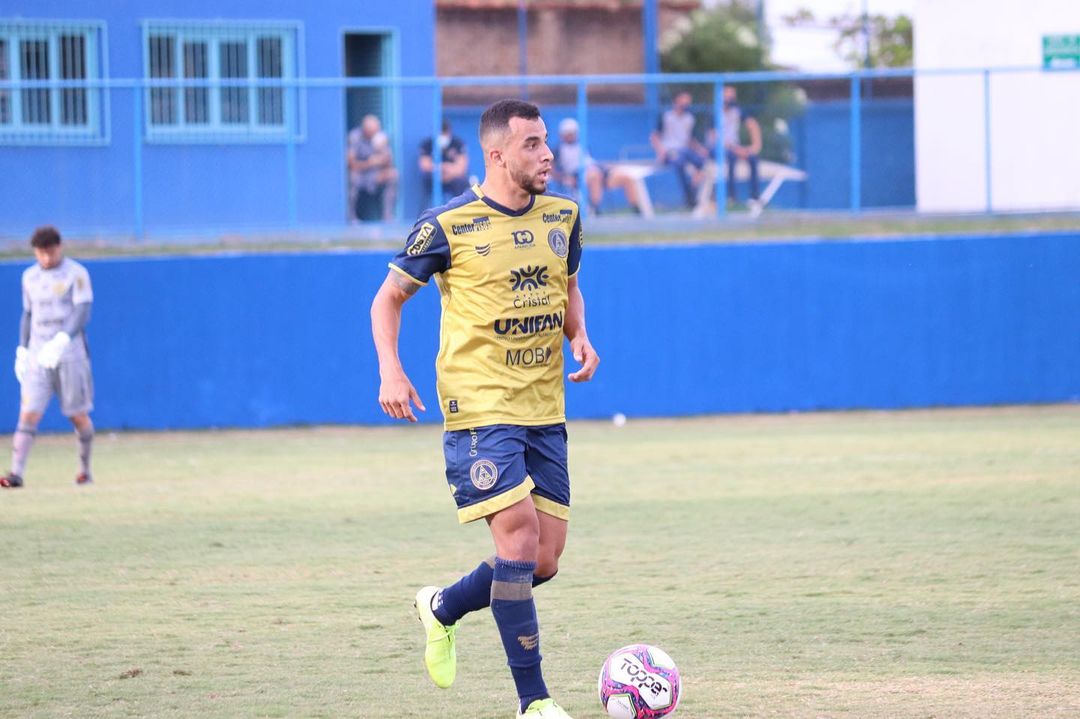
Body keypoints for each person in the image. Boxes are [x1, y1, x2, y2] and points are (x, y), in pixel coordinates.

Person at [371, 99, 599, 719]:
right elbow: (387, 301)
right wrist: (392, 368)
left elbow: (567, 284)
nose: (547, 153)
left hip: (543, 406)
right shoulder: (446, 225)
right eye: (531, 144)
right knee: (519, 537)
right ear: (496, 154)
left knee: (541, 561)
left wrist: (579, 334)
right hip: (476, 407)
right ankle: (535, 703)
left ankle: (441, 607)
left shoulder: (565, 215)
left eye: (546, 141)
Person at [3, 226, 95, 489]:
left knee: (77, 415)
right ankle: (16, 473)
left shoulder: (76, 274)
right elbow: (27, 314)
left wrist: (63, 339)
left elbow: (82, 310)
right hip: (38, 356)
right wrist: (22, 350)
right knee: (28, 413)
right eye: (41, 254)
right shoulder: (29, 277)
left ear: (60, 247)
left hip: (69, 355)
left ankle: (84, 470)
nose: (46, 259)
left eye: (50, 252)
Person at [550, 117, 642, 215]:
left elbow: (589, 161)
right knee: (595, 176)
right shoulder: (558, 150)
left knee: (627, 177)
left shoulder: (582, 145)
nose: (571, 136)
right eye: (568, 133)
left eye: (573, 133)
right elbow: (551, 169)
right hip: (579, 177)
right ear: (562, 134)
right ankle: (596, 209)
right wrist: (564, 178)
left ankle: (636, 209)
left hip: (598, 170)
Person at [649, 90, 709, 209]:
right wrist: (661, 152)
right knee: (679, 164)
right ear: (676, 101)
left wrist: (700, 149)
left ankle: (691, 190)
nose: (686, 104)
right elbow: (654, 137)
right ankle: (689, 197)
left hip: (685, 151)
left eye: (688, 101)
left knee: (701, 162)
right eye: (683, 101)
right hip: (670, 151)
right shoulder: (666, 116)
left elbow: (690, 139)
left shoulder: (690, 118)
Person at [346, 114, 398, 222]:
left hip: (375, 174)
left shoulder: (380, 138)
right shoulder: (354, 137)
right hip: (360, 174)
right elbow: (351, 164)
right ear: (365, 129)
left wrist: (382, 149)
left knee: (393, 174)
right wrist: (369, 163)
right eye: (371, 131)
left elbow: (389, 163)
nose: (374, 133)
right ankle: (351, 217)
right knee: (353, 178)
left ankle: (387, 215)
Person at [720, 86, 762, 208]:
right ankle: (731, 197)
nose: (730, 98)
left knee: (753, 158)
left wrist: (756, 146)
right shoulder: (715, 112)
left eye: (732, 96)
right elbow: (715, 138)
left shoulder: (737, 111)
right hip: (720, 148)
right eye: (727, 95)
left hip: (735, 147)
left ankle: (754, 197)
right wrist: (737, 150)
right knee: (731, 157)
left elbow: (752, 125)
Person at [418, 119, 471, 209]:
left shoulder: (457, 143)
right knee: (426, 178)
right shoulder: (427, 144)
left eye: (444, 133)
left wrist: (448, 172)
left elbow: (462, 168)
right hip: (434, 177)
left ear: (448, 132)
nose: (442, 137)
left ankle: (459, 211)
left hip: (452, 179)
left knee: (462, 182)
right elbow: (424, 165)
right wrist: (442, 168)